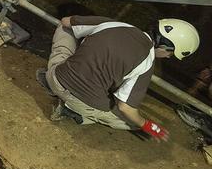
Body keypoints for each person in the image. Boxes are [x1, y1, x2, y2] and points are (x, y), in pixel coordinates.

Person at [37, 16, 199, 139]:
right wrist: (147, 125)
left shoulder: (115, 24)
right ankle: (71, 112)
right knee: (129, 122)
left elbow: (66, 21)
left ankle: (50, 82)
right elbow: (125, 107)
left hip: (56, 75)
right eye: (170, 54)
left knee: (64, 28)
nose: (168, 57)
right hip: (82, 101)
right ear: (164, 47)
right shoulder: (147, 63)